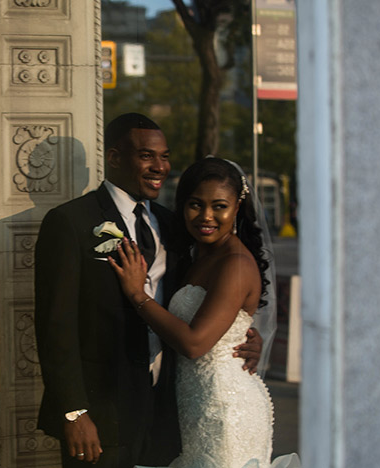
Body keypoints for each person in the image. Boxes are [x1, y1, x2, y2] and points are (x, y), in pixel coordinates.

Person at [34, 114, 265, 468]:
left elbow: (214, 299)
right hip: (101, 413)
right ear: (114, 157)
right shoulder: (70, 223)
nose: (160, 166)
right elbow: (54, 328)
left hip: (168, 413)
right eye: (146, 155)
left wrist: (246, 333)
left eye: (165, 156)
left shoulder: (175, 225)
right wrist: (73, 412)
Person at [111, 157, 299, 467]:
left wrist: (137, 295)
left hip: (225, 410)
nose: (206, 216)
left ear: (237, 208)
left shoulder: (235, 264)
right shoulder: (197, 254)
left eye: (219, 206)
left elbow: (195, 344)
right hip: (198, 407)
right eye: (196, 205)